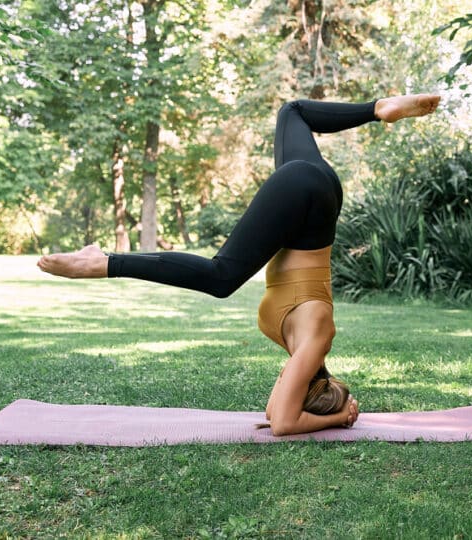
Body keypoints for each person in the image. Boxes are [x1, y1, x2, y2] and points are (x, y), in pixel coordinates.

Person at [38, 94, 441, 436]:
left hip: (313, 197)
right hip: (306, 197)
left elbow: (274, 414)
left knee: (293, 113)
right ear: (308, 389)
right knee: (222, 277)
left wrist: (336, 410)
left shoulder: (303, 347)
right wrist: (339, 418)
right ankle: (105, 262)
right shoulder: (317, 338)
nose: (285, 383)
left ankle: (378, 108)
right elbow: (284, 423)